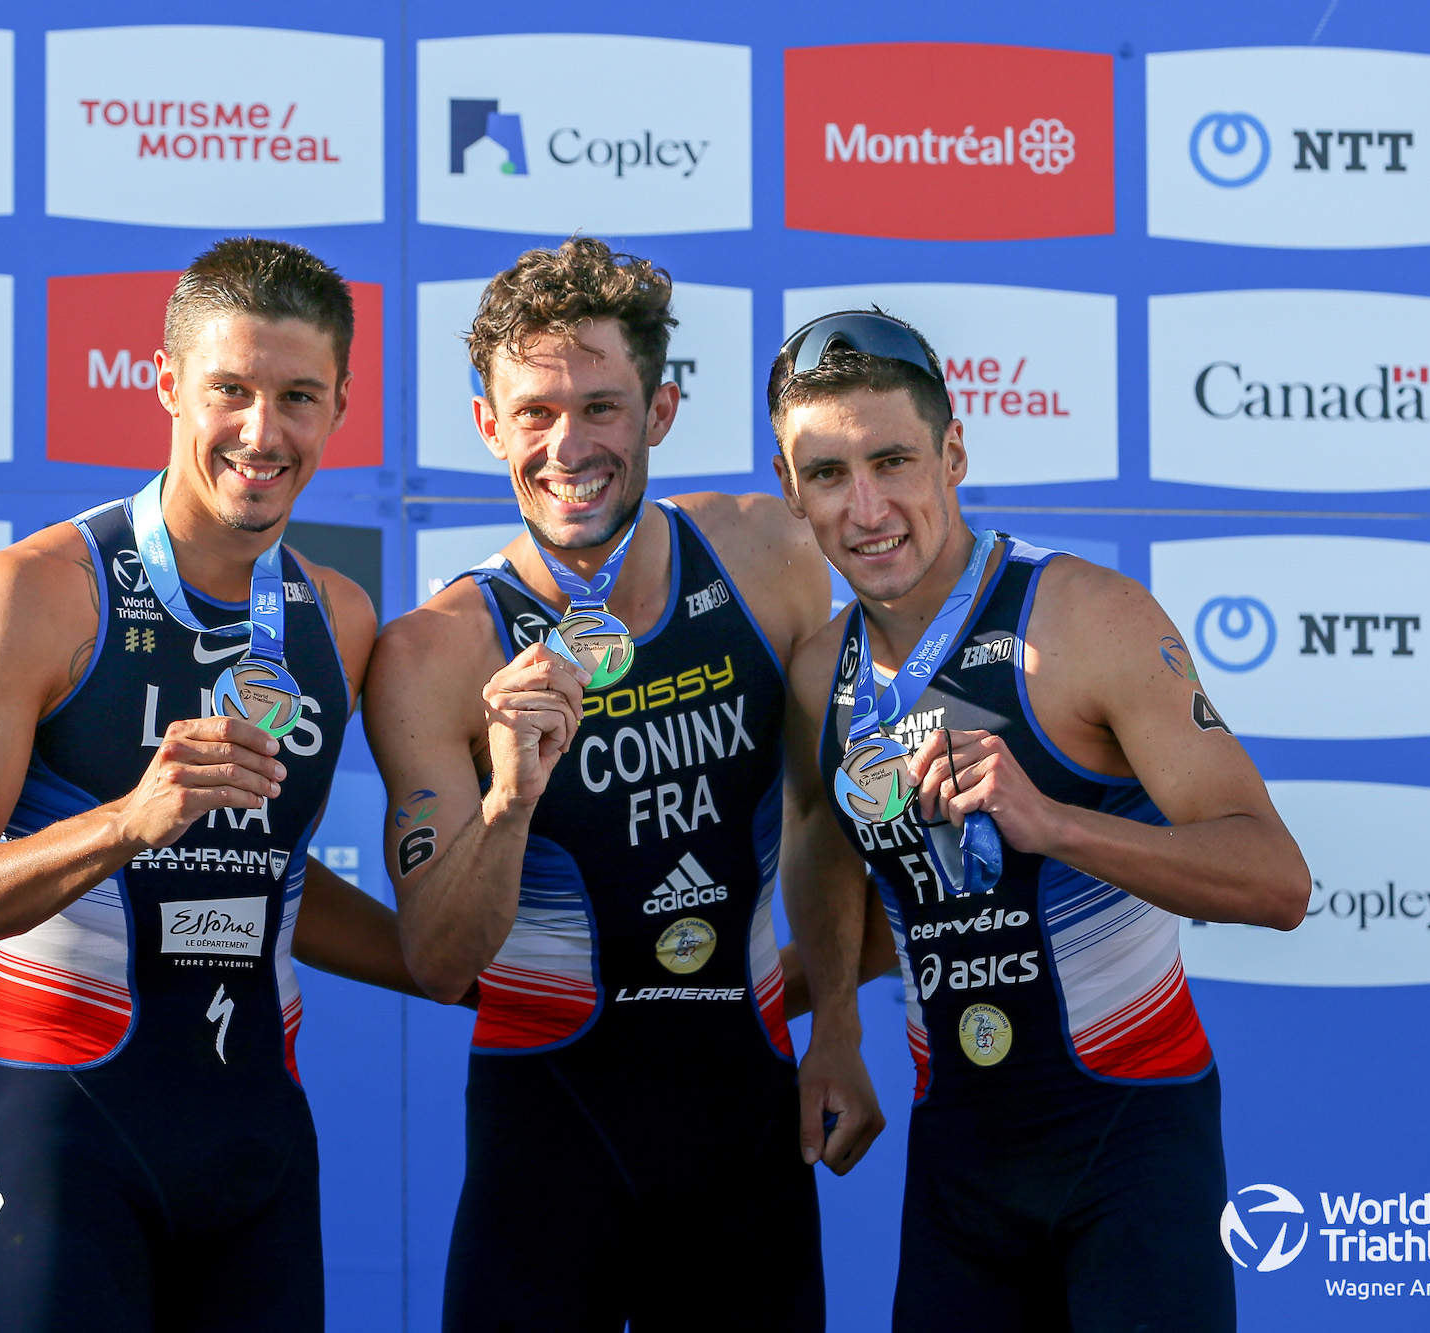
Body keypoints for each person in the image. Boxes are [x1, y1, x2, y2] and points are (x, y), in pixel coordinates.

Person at [0, 238, 427, 1332]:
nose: (261, 433)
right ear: (168, 383)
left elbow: (272, 883)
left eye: (297, 396)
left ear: (340, 406)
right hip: (72, 1139)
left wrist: (472, 964)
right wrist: (127, 822)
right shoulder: (35, 592)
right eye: (230, 389)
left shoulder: (341, 618)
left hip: (259, 1152)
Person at [364, 238, 883, 1332]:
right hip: (545, 1147)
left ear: (659, 412)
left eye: (601, 407)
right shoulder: (435, 653)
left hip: (747, 1128)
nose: (568, 447)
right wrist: (508, 799)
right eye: (535, 412)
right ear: (486, 426)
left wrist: (833, 1020)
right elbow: (437, 955)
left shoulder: (769, 550)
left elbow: (816, 811)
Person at [772, 309, 1310, 1332]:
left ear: (953, 452)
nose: (868, 506)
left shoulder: (1084, 621)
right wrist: (834, 1025)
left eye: (892, 460)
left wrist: (1054, 823)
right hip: (957, 1170)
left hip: (1128, 1141)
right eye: (829, 473)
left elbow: (1275, 879)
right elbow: (818, 832)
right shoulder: (820, 672)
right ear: (789, 486)